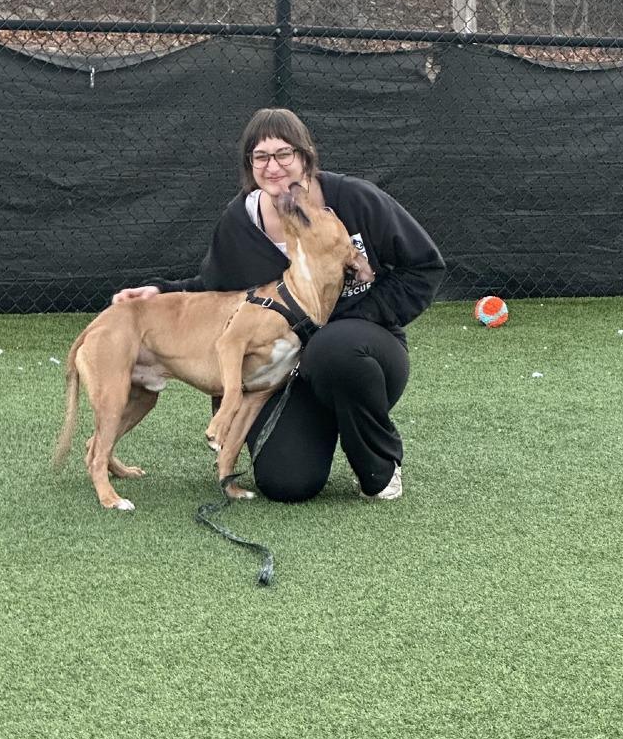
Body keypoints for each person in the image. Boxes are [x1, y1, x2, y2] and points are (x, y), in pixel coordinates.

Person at [113, 107, 446, 503]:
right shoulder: (241, 222)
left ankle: (378, 462)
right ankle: (314, 430)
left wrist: (357, 315)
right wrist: (160, 290)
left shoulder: (354, 200)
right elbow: (216, 287)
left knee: (333, 347)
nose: (273, 167)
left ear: (305, 156)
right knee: (286, 482)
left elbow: (425, 267)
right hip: (284, 371)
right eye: (261, 156)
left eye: (284, 153)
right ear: (249, 165)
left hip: (363, 352)